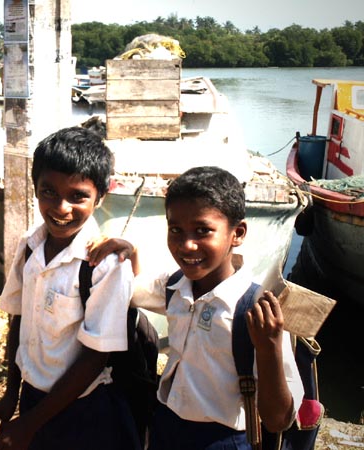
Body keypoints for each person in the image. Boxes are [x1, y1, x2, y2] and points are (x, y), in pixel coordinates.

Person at [88, 166, 305, 450]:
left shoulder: (255, 311)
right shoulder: (175, 288)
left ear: (237, 233)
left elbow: (277, 420)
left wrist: (269, 348)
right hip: (166, 426)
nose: (187, 245)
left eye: (203, 231)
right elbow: (133, 292)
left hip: (223, 439)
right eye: (176, 230)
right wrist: (132, 251)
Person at [0, 126, 140, 450]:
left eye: (78, 196)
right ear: (35, 188)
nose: (61, 207)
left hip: (82, 411)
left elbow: (95, 358)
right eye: (49, 191)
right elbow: (19, 322)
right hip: (32, 397)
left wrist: (30, 424)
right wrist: (11, 395)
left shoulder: (105, 266)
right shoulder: (30, 247)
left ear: (101, 196)